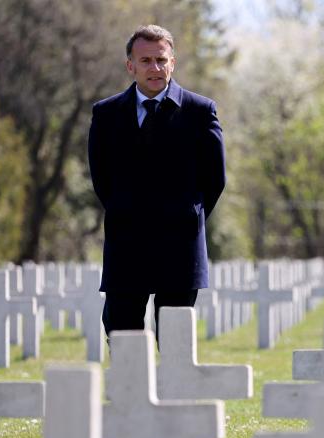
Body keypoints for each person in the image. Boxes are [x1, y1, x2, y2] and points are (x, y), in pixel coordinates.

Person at [88, 24, 225, 343]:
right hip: (127, 244)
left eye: (162, 60)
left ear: (173, 63)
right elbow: (101, 179)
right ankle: (129, 395)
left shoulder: (200, 112)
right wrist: (128, 212)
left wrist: (187, 217)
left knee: (176, 342)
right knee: (122, 336)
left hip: (180, 246)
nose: (155, 68)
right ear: (130, 66)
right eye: (146, 60)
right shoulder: (106, 115)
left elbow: (214, 179)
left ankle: (174, 397)